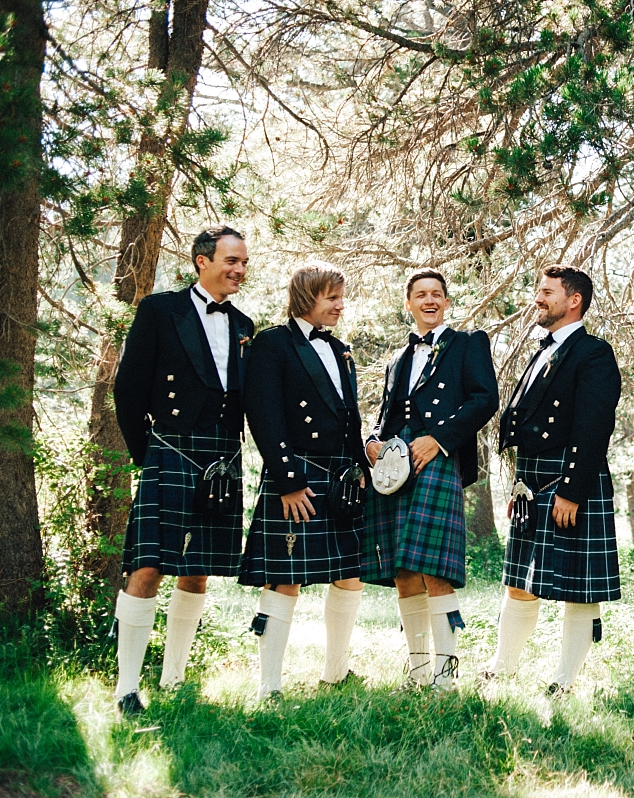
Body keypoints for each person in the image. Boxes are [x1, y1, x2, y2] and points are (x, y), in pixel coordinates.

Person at [111, 225, 254, 716]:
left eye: (243, 263)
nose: (238, 270)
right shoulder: (159, 310)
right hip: (169, 450)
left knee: (197, 572)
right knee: (147, 566)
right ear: (201, 260)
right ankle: (126, 687)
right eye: (230, 260)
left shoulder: (245, 325)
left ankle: (173, 678)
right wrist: (146, 455)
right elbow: (127, 391)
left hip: (221, 456)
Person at [484, 266, 621, 694]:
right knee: (520, 581)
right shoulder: (543, 348)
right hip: (534, 477)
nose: (538, 298)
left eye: (547, 292)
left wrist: (572, 491)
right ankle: (501, 669)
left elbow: (594, 427)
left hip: (568, 479)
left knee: (579, 589)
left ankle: (563, 681)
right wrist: (520, 481)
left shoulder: (593, 352)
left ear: (573, 299)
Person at [238, 262, 371, 698]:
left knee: (349, 573)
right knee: (285, 576)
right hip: (298, 474)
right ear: (306, 297)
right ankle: (269, 685)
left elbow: (349, 418)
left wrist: (360, 471)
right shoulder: (273, 343)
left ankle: (336, 672)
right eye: (331, 297)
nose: (339, 305)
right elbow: (264, 415)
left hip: (340, 476)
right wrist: (288, 481)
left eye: (340, 296)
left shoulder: (339, 350)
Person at [361, 269, 499, 688]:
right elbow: (387, 416)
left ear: (446, 302)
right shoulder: (398, 359)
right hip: (395, 463)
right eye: (420, 295)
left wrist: (439, 439)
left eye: (437, 294)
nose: (429, 300)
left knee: (434, 568)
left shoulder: (467, 344)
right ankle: (419, 671)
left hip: (436, 459)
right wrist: (372, 441)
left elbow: (484, 399)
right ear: (409, 304)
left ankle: (446, 674)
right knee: (404, 570)